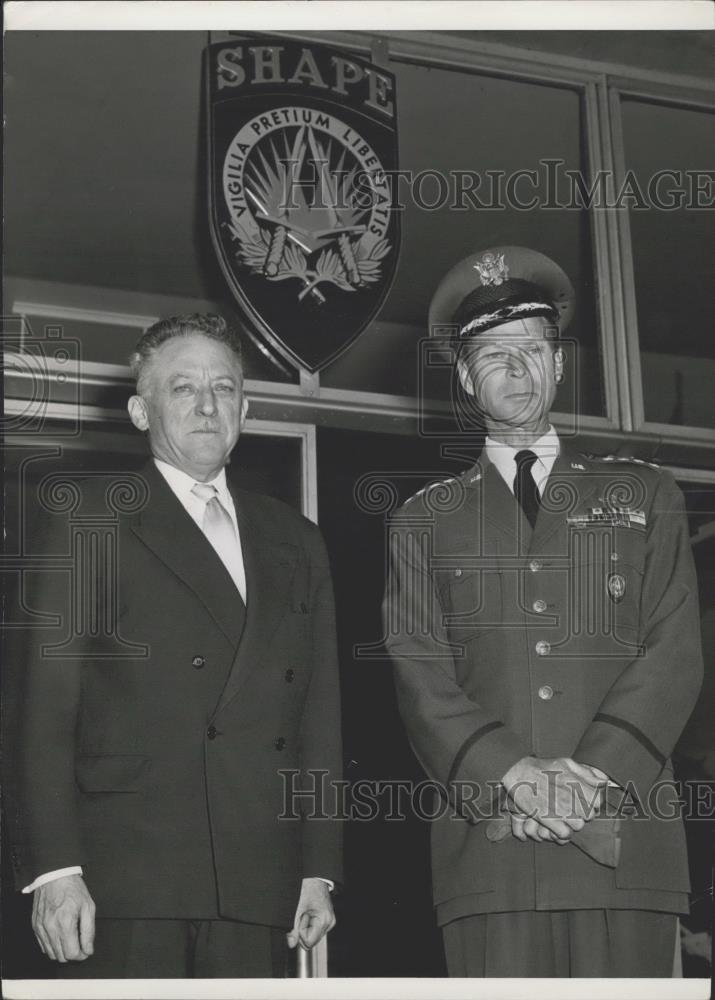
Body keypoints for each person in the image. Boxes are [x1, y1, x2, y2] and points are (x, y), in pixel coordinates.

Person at [383, 246, 703, 977]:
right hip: (492, 852)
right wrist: (511, 773)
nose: (517, 368)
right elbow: (418, 673)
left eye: (533, 348)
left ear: (559, 365)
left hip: (624, 840)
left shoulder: (643, 494)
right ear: (464, 378)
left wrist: (588, 776)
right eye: (494, 353)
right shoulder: (422, 522)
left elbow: (673, 650)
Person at [5, 314, 342, 978]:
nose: (208, 405)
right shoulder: (86, 514)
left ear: (245, 409)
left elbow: (317, 714)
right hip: (126, 873)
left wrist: (317, 866)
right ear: (140, 409)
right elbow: (41, 712)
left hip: (257, 868)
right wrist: (54, 866)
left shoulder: (296, 539)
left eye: (223, 388)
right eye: (183, 387)